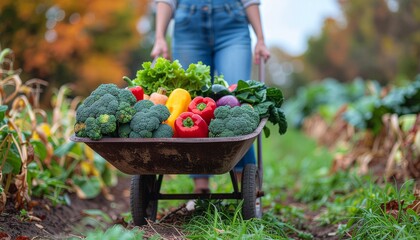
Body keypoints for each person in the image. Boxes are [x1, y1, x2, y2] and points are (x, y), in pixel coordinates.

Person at [150, 0, 270, 202]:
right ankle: (200, 188)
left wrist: (260, 38)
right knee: (191, 102)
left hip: (232, 22)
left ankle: (246, 187)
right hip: (188, 24)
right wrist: (160, 36)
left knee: (237, 101)